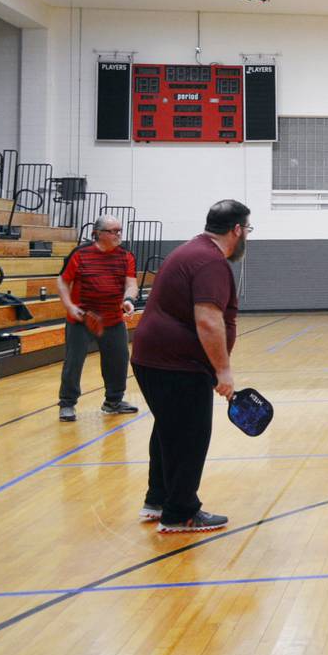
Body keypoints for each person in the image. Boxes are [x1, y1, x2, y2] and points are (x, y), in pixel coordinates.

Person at [130, 199, 250, 533]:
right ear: (237, 230)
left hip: (154, 357)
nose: (246, 237)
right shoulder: (210, 261)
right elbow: (208, 319)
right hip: (176, 363)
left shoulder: (191, 251)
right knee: (191, 434)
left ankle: (158, 499)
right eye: (247, 230)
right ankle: (180, 512)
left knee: (170, 428)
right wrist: (223, 371)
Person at [56, 216, 139, 422]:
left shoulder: (126, 256)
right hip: (81, 320)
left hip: (113, 319)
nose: (118, 234)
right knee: (74, 363)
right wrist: (69, 306)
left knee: (118, 360)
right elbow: (63, 281)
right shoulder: (80, 254)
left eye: (119, 230)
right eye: (112, 231)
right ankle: (67, 403)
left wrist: (128, 299)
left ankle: (113, 402)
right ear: (98, 233)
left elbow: (131, 283)